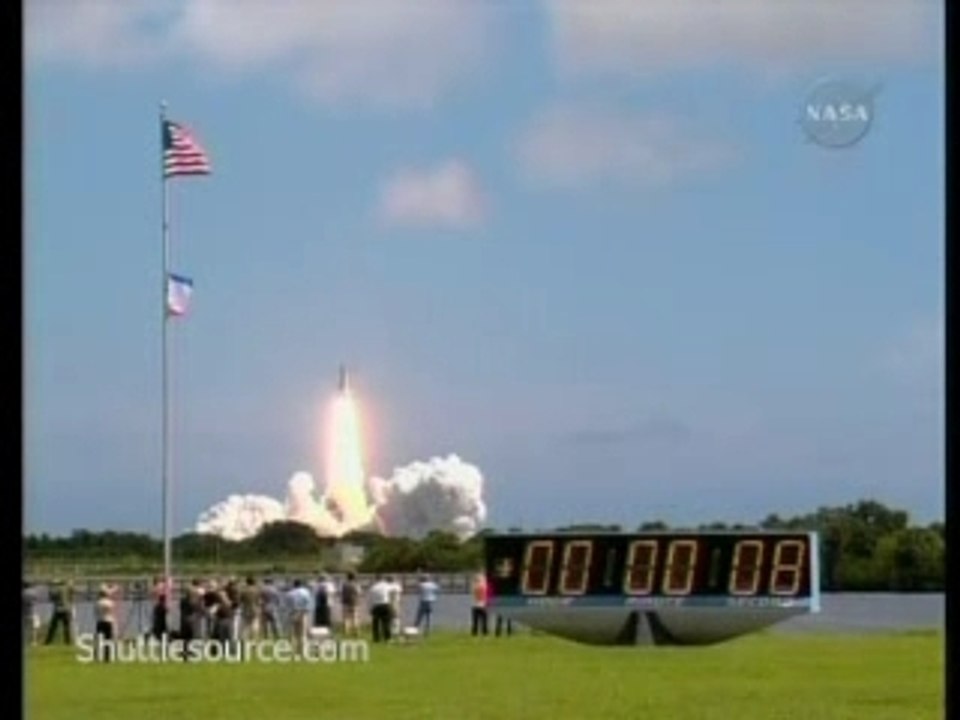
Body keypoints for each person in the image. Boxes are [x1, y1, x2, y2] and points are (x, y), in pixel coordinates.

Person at [286, 579, 312, 656]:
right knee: (303, 633)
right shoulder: (306, 592)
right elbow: (308, 603)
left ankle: (293, 651)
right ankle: (303, 651)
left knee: (293, 633)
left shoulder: (289, 593)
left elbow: (287, 605)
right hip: (303, 613)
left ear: (294, 585)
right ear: (301, 585)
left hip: (293, 613)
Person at [45, 579, 74, 645]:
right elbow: (72, 595)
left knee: (53, 627)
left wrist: (50, 588)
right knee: (66, 627)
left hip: (58, 610)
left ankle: (48, 642)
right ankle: (68, 642)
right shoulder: (67, 588)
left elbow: (52, 598)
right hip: (67, 609)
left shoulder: (57, 589)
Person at [94, 585, 116, 662]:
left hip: (100, 621)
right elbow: (112, 612)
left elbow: (95, 612)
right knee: (108, 639)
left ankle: (97, 656)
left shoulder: (97, 603)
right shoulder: (110, 602)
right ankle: (107, 657)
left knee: (99, 640)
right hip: (108, 621)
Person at [367, 575, 392, 643]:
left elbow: (370, 599)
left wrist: (369, 609)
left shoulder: (373, 588)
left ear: (376, 579)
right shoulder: (387, 585)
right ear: (382, 579)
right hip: (385, 604)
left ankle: (376, 638)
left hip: (376, 606)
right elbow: (392, 591)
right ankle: (387, 638)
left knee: (376, 624)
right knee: (386, 623)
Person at [340, 572, 361, 638]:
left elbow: (342, 593)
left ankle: (346, 632)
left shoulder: (344, 585)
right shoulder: (356, 584)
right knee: (355, 617)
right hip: (354, 602)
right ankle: (356, 632)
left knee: (346, 618)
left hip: (345, 602)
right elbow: (359, 593)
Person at [239, 576, 261, 641]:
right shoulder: (257, 590)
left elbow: (241, 600)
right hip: (255, 609)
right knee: (255, 624)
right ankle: (254, 639)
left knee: (245, 626)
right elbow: (259, 601)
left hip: (246, 609)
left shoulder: (243, 591)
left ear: (247, 582)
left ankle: (245, 640)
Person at [23, 582, 40, 646]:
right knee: (34, 628)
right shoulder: (33, 593)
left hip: (25, 613)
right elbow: (37, 600)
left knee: (26, 628)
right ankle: (34, 641)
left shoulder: (24, 593)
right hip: (33, 612)